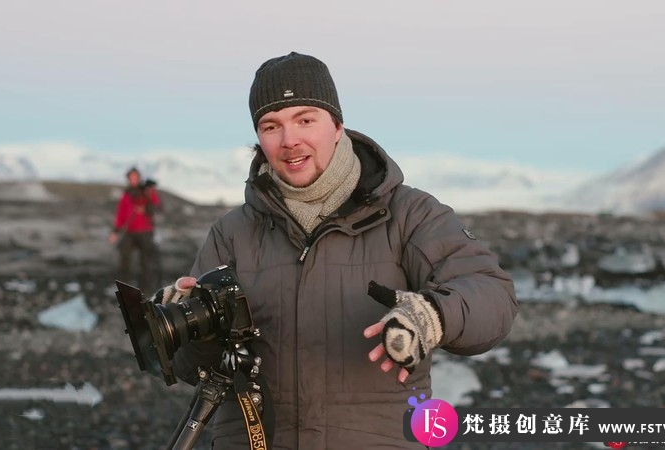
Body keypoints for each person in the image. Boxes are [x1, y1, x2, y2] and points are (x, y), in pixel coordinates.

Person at [153, 52, 517, 449]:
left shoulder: (407, 214)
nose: (290, 140)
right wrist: (187, 325)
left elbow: (492, 293)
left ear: (338, 125)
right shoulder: (233, 232)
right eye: (271, 125)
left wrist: (434, 315)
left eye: (305, 119)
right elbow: (194, 370)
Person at [109, 166, 162, 296]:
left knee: (146, 263)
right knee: (124, 259)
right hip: (129, 232)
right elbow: (121, 214)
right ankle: (125, 289)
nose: (133, 180)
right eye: (130, 177)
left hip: (145, 232)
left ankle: (146, 291)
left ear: (139, 178)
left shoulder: (146, 191)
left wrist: (146, 207)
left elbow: (157, 206)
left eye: (135, 177)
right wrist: (115, 231)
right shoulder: (126, 194)